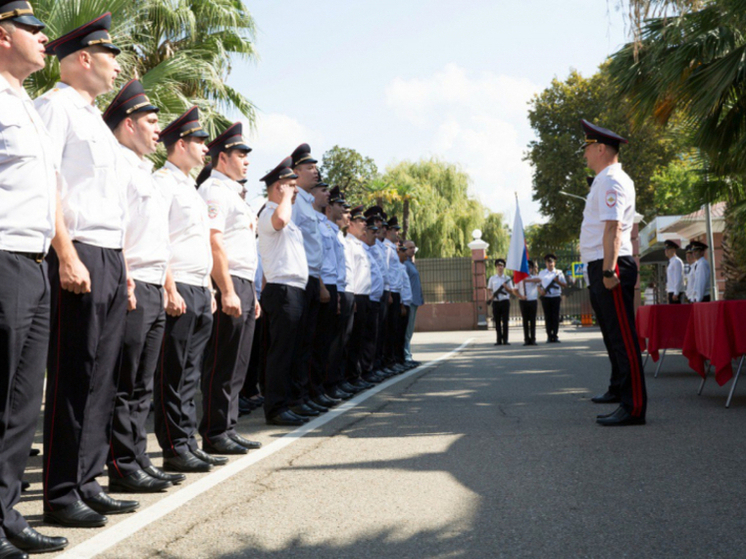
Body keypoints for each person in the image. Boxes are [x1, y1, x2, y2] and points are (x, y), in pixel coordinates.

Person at [36, 13, 141, 527]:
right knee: (75, 374)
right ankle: (59, 492)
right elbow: (48, 185)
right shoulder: (54, 108)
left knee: (102, 375)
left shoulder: (93, 121)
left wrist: (123, 265)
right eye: (110, 57)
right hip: (78, 251)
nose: (116, 67)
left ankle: (86, 479)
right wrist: (68, 253)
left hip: (109, 255)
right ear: (83, 59)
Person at [0, 2, 70, 554]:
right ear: (3, 36)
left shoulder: (24, 104)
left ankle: (6, 518)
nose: (44, 37)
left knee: (24, 403)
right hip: (3, 258)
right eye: (32, 29)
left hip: (36, 261)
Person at [103, 80, 175, 494]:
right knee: (124, 381)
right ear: (128, 124)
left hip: (152, 284)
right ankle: (121, 463)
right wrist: (126, 278)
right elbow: (119, 228)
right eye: (151, 122)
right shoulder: (117, 164)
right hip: (132, 281)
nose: (157, 131)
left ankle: (137, 458)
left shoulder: (142, 170)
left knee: (141, 383)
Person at [152, 106, 222, 474]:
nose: (205, 148)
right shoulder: (162, 183)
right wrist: (168, 286)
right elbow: (159, 237)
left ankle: (188, 441)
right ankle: (174, 446)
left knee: (191, 372)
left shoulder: (191, 189)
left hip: (198, 287)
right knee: (172, 371)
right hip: (177, 284)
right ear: (181, 144)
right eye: (199, 141)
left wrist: (209, 288)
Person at [197, 122, 262, 455]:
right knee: (222, 360)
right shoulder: (214, 190)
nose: (246, 160)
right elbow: (213, 241)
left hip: (243, 282)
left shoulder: (234, 193)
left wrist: (250, 291)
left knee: (238, 362)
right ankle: (213, 430)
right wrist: (227, 290)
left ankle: (228, 426)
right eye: (240, 154)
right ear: (222, 157)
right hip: (228, 280)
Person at [579, 119, 647, 427]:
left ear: (601, 148)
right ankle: (620, 390)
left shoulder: (611, 180)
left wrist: (608, 270)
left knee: (623, 337)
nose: (585, 155)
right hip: (601, 263)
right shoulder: (604, 179)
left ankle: (634, 407)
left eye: (587, 148)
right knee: (612, 333)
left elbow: (613, 228)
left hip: (611, 263)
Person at [257, 157, 310, 426]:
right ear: (278, 188)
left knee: (292, 352)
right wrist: (286, 198)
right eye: (291, 186)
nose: (296, 190)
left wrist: (287, 197)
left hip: (294, 290)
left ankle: (288, 402)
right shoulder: (270, 214)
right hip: (283, 291)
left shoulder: (286, 217)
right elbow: (279, 220)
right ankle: (276, 408)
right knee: (280, 353)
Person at [289, 143, 328, 418]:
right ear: (295, 171)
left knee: (307, 343)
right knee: (296, 344)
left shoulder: (307, 203)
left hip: (313, 277)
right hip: (300, 278)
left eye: (315, 166)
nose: (315, 171)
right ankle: (293, 399)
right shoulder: (293, 202)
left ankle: (303, 397)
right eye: (309, 167)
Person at [308, 178, 340, 409]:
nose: (327, 194)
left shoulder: (325, 223)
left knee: (327, 342)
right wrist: (321, 285)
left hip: (332, 283)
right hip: (321, 282)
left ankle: (322, 389)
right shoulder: (313, 220)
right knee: (316, 343)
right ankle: (314, 391)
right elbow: (314, 257)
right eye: (323, 189)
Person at [320, 187, 354, 400]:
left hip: (338, 288)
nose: (344, 209)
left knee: (339, 341)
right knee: (327, 342)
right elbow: (321, 262)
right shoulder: (322, 227)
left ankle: (334, 382)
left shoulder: (336, 233)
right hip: (327, 286)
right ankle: (325, 386)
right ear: (330, 206)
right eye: (340, 205)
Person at [487, 259, 518, 345]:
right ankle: (498, 340)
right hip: (496, 302)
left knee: (505, 321)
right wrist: (490, 297)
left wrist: (506, 287)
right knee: (497, 322)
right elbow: (489, 289)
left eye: (501, 266)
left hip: (505, 301)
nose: (500, 267)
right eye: (498, 266)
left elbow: (512, 291)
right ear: (496, 267)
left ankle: (505, 340)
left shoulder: (507, 278)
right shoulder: (492, 278)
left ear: (504, 267)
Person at [402, 240, 423, 366]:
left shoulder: (410, 263)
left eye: (414, 247)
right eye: (409, 248)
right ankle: (406, 355)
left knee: (409, 330)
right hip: (409, 301)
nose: (412, 249)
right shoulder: (404, 264)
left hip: (414, 301)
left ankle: (407, 354)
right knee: (407, 330)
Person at [539, 254, 567, 343]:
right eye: (548, 262)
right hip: (546, 297)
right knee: (548, 317)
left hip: (556, 297)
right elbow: (538, 285)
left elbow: (565, 285)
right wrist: (541, 292)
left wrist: (557, 281)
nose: (550, 264)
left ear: (554, 263)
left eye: (551, 262)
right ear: (545, 263)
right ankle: (549, 335)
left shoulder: (559, 273)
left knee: (555, 317)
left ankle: (555, 335)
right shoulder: (542, 273)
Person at [517, 260, 541, 346]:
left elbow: (539, 280)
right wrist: (521, 296)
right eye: (526, 268)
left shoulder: (533, 277)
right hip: (523, 301)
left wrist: (528, 280)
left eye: (529, 268)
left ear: (531, 269)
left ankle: (533, 339)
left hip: (533, 301)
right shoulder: (519, 279)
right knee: (525, 321)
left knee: (533, 321)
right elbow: (515, 291)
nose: (528, 269)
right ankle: (526, 339)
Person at [664, 240, 684, 304]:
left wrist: (676, 293)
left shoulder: (677, 261)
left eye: (668, 249)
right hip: (671, 291)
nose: (666, 251)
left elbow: (678, 278)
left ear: (674, 250)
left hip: (675, 292)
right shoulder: (671, 262)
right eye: (666, 249)